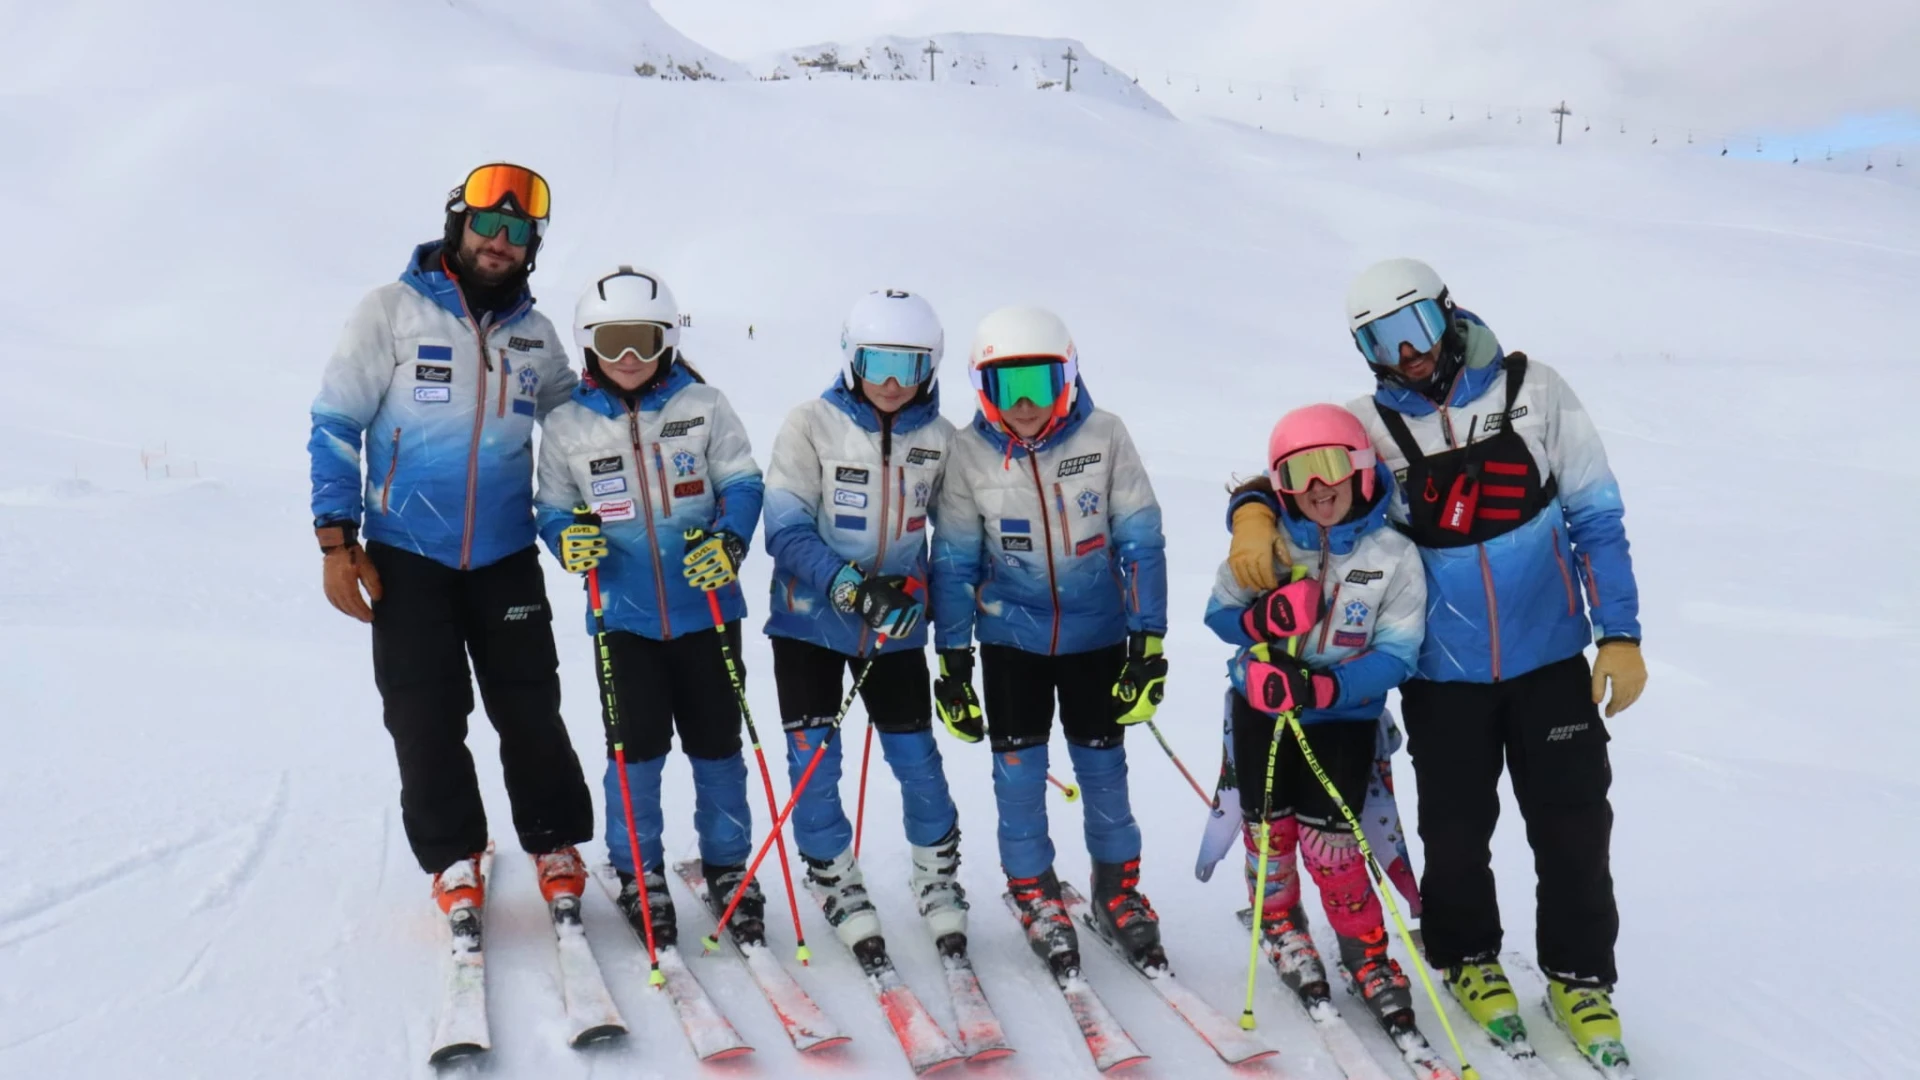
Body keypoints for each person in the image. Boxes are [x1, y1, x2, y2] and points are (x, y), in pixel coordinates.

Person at [1225, 258, 1645, 1070]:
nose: (1405, 353)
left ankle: (1579, 975)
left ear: (1447, 315)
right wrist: (1249, 517)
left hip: (1550, 654)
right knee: (1455, 830)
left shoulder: (1535, 391)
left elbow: (1597, 514)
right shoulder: (1369, 424)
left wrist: (1618, 633)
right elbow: (1286, 472)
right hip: (1439, 671)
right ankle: (1468, 959)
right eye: (1379, 341)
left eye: (1414, 329)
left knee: (1574, 823)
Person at [308, 162, 595, 923]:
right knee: (423, 713)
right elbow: (336, 422)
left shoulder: (535, 335)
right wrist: (337, 541)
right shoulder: (392, 311)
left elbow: (573, 418)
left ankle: (555, 839)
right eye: (487, 225)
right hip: (407, 553)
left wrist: (651, 389)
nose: (499, 242)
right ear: (457, 225)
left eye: (517, 232)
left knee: (531, 704)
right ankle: (454, 856)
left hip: (505, 553)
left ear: (533, 247)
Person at [930, 306, 1170, 975]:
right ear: (984, 389)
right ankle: (1034, 892)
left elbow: (1142, 541)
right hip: (1012, 642)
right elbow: (953, 563)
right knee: (1019, 779)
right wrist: (952, 663)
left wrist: (1147, 641)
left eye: (1041, 380)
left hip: (1099, 637)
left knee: (1104, 774)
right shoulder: (968, 454)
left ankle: (1117, 891)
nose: (1029, 402)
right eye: (1010, 387)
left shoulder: (1104, 434)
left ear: (1068, 375)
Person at [533, 266, 766, 947]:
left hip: (709, 615)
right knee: (635, 752)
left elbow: (743, 483)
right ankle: (639, 873)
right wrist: (567, 539)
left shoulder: (704, 405)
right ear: (589, 346)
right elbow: (553, 508)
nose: (628, 357)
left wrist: (730, 541)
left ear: (665, 340)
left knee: (717, 748)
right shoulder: (570, 425)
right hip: (624, 620)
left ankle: (728, 867)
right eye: (611, 343)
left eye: (641, 340)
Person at [1198, 404, 1427, 1035]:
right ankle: (1279, 925)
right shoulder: (1273, 541)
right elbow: (1217, 614)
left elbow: (1398, 655)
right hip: (1261, 710)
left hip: (1343, 720)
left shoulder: (1393, 555)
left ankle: (1365, 952)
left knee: (1335, 845)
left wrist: (1324, 687)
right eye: (1298, 474)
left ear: (1360, 468)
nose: (1319, 487)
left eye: (1332, 467)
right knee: (1267, 830)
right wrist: (1259, 621)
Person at [760, 289, 966, 971]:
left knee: (918, 762)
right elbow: (785, 530)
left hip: (894, 631)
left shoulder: (940, 441)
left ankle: (936, 873)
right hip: (809, 624)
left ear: (928, 369)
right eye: (875, 361)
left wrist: (920, 598)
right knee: (815, 762)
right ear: (851, 358)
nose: (888, 381)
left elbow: (955, 540)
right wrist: (852, 587)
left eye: (907, 367)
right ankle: (833, 876)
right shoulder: (811, 425)